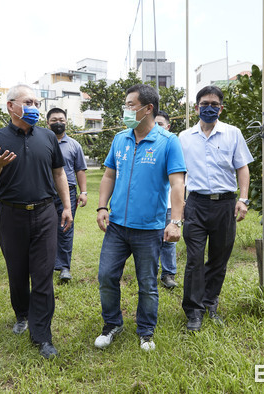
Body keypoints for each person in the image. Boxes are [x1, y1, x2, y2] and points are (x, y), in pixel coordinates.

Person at [0, 84, 73, 359]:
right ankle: (22, 315)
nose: (34, 106)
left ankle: (42, 335)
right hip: (11, 215)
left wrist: (66, 206)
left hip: (45, 213)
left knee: (43, 275)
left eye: (36, 102)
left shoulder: (47, 137)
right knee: (17, 272)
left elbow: (59, 174)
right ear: (11, 106)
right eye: (28, 101)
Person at [95, 84, 186, 351]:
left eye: (130, 105)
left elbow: (178, 184)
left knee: (147, 283)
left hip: (149, 229)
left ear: (148, 108)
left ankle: (146, 331)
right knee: (106, 276)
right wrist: (102, 207)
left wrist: (176, 221)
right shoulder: (120, 139)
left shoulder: (168, 142)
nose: (125, 110)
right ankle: (112, 324)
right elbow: (109, 175)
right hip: (117, 227)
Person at [179, 85, 253, 332]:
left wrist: (243, 199)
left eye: (213, 104)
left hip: (225, 204)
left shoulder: (233, 134)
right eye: (204, 104)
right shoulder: (184, 137)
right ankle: (193, 311)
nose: (208, 108)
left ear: (221, 107)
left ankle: (210, 303)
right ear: (196, 106)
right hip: (196, 204)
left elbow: (242, 167)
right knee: (194, 259)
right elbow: (178, 175)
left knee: (219, 258)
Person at [46, 108, 88, 283]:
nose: (58, 123)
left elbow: (80, 170)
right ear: (47, 123)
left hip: (68, 192)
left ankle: (64, 267)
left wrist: (83, 192)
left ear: (66, 122)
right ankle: (45, 265)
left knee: (65, 228)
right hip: (45, 191)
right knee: (45, 229)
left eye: (62, 120)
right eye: (54, 119)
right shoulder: (42, 142)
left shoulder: (74, 145)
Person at [154, 110, 178, 289]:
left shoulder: (172, 145)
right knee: (151, 240)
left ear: (168, 127)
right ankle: (150, 271)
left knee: (168, 241)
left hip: (168, 205)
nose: (156, 128)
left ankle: (168, 274)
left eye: (160, 124)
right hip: (150, 205)